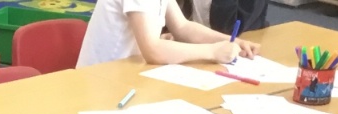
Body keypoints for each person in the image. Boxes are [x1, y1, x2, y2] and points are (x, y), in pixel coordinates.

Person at [76, 0, 257, 67]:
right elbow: (152, 50)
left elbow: (183, 27)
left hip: (128, 72)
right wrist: (212, 51)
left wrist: (233, 41)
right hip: (102, 79)